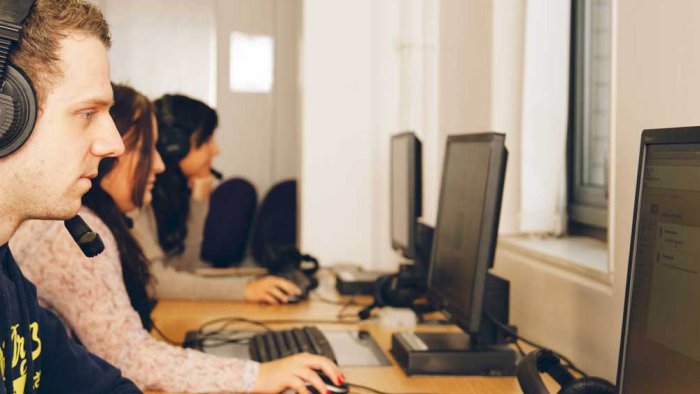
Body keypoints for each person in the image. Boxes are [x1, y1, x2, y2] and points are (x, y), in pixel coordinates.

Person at [11, 83, 344, 393]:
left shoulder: (86, 221)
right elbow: (126, 355)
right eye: (146, 149)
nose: (158, 165)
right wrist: (258, 376)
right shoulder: (73, 234)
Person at [0, 0, 142, 392]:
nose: (114, 144)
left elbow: (102, 387)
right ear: (6, 117)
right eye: (88, 113)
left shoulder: (8, 276)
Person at [130, 93, 300, 304]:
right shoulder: (135, 197)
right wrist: (245, 290)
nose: (216, 150)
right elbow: (157, 283)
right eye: (206, 141)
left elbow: (184, 271)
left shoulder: (171, 194)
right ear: (173, 146)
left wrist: (199, 201)